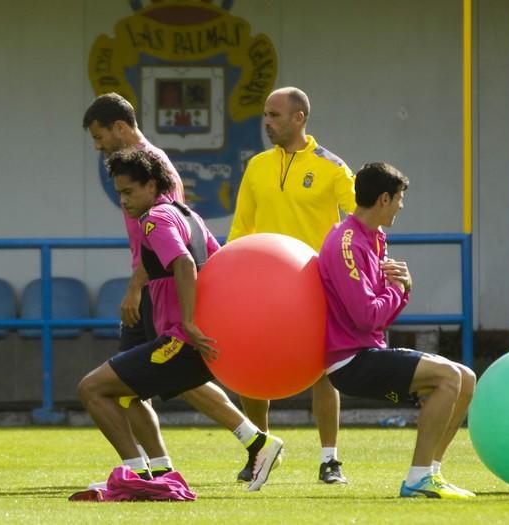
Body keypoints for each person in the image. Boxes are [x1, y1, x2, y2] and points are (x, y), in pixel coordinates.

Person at [77, 149, 283, 493]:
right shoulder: (188, 215)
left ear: (152, 185)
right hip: (191, 338)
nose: (124, 202)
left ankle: (135, 476)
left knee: (92, 388)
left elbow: (185, 264)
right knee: (127, 392)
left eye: (128, 192)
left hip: (180, 341)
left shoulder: (154, 220)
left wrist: (188, 323)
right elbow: (219, 267)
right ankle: (160, 472)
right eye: (119, 194)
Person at [82, 93, 247, 472]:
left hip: (159, 292)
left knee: (122, 383)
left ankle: (150, 469)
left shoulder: (154, 173)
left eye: (98, 136)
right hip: (159, 288)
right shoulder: (138, 167)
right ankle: (159, 468)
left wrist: (136, 286)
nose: (97, 146)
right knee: (135, 383)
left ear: (119, 127)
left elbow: (171, 245)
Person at [317, 162, 476, 499]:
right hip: (350, 361)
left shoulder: (374, 238)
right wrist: (401, 290)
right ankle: (418, 479)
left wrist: (401, 289)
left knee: (466, 379)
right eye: (400, 198)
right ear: (384, 199)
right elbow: (366, 317)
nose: (402, 206)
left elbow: (379, 317)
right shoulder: (347, 242)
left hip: (368, 351)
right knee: (449, 377)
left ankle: (431, 474)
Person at [228, 86, 355, 484]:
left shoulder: (333, 167)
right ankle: (259, 451)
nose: (267, 122)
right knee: (251, 368)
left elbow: (358, 223)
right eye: (265, 115)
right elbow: (240, 227)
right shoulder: (256, 166)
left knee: (322, 373)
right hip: (260, 288)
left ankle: (330, 460)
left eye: (274, 115)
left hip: (315, 286)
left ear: (299, 118)